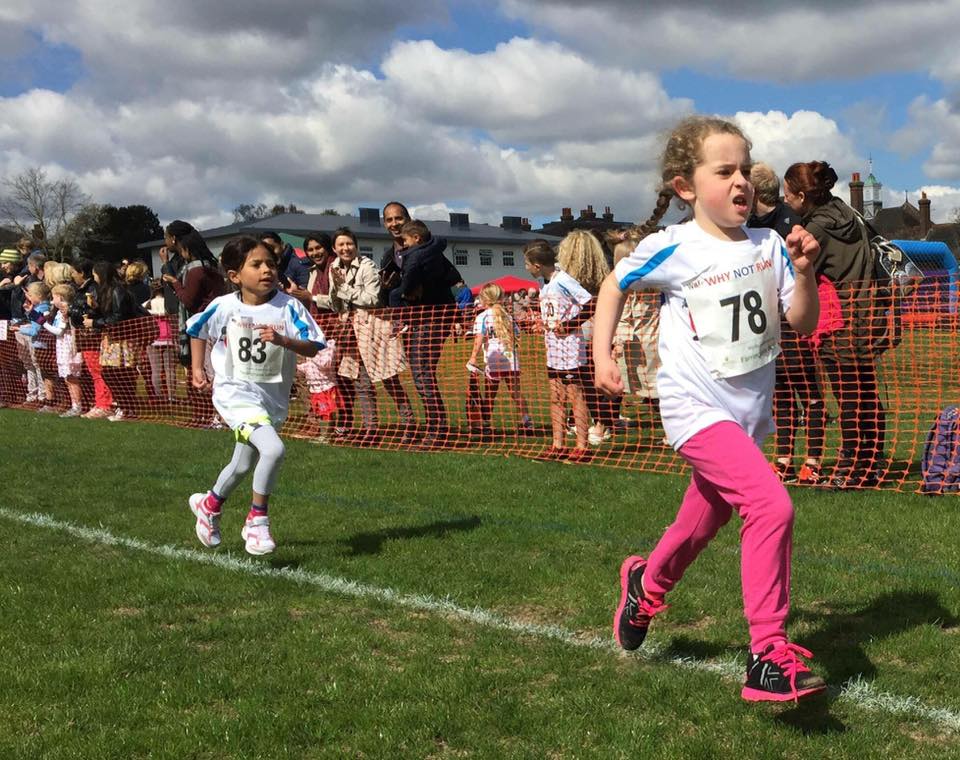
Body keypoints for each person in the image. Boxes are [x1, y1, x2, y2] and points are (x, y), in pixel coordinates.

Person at [593, 115, 826, 702]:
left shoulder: (770, 245)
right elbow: (613, 286)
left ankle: (645, 587)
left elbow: (803, 322)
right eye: (724, 171)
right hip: (694, 409)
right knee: (771, 505)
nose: (740, 181)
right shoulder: (672, 247)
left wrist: (804, 274)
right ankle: (768, 652)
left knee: (701, 523)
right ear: (686, 187)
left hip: (747, 419)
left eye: (744, 169)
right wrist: (602, 356)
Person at [185, 236, 324, 556]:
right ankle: (257, 520)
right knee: (273, 450)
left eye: (271, 264)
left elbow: (314, 345)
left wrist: (284, 341)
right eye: (257, 265)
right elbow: (196, 329)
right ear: (235, 276)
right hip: (235, 393)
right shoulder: (224, 306)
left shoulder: (289, 306)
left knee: (242, 463)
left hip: (271, 398)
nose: (267, 270)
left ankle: (209, 504)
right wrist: (197, 368)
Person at [783, 160, 886, 489]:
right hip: (866, 314)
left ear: (802, 196)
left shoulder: (815, 230)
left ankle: (851, 466)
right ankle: (871, 462)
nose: (785, 199)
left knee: (848, 397)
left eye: (788, 194)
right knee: (866, 392)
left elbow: (798, 275)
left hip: (836, 320)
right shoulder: (848, 214)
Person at [750, 163, 826, 485]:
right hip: (767, 322)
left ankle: (813, 460)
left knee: (808, 391)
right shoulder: (748, 226)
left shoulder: (791, 222)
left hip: (794, 319)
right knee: (779, 391)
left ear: (756, 191)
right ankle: (783, 459)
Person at [324, 227, 412, 445]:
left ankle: (409, 425)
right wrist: (322, 297)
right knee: (362, 384)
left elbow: (373, 299)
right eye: (341, 244)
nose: (345, 248)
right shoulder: (334, 268)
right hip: (351, 333)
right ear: (334, 248)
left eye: (349, 243)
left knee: (389, 380)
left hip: (374, 331)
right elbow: (336, 303)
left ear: (355, 245)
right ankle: (370, 429)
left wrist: (344, 289)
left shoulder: (367, 265)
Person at [524, 239, 592, 462]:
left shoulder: (563, 279)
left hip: (570, 348)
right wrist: (543, 323)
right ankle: (558, 444)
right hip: (553, 349)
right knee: (555, 397)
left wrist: (570, 325)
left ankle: (582, 446)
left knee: (575, 396)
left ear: (537, 265)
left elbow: (590, 303)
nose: (526, 268)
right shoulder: (544, 284)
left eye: (527, 264)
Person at [393, 218, 457, 447]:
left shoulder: (416, 256)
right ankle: (437, 427)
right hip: (434, 317)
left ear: (416, 238)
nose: (404, 245)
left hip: (429, 319)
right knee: (423, 373)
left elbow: (407, 286)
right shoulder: (434, 251)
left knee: (422, 373)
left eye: (405, 241)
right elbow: (453, 276)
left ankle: (436, 429)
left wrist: (401, 294)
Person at [162, 222, 226, 426]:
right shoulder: (209, 265)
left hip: (204, 325)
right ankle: (210, 414)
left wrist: (175, 283)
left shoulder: (196, 269)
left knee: (210, 371)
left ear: (175, 240)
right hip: (213, 324)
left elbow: (189, 301)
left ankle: (217, 416)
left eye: (166, 237)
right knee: (210, 369)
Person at [557, 230, 615, 446]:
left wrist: (569, 324)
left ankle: (601, 422)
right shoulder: (596, 279)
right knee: (585, 380)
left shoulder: (589, 282)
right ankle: (594, 420)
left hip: (589, 333)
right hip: (589, 333)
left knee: (590, 379)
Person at [83, 260, 146, 421]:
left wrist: (95, 322)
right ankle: (123, 406)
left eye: (95, 274)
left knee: (121, 373)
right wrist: (96, 308)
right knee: (110, 372)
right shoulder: (106, 291)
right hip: (111, 338)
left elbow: (118, 317)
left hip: (122, 338)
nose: (94, 278)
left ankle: (128, 408)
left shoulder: (118, 290)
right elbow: (109, 313)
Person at [466, 283, 532, 435]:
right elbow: (517, 336)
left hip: (493, 362)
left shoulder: (482, 317)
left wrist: (473, 357)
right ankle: (527, 422)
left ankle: (486, 424)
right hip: (510, 361)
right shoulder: (507, 316)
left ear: (485, 299)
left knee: (490, 396)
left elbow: (479, 338)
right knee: (516, 393)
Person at [44, 283, 85, 417]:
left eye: (54, 297)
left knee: (71, 378)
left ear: (60, 297)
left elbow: (59, 331)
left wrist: (43, 323)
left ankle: (77, 406)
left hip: (67, 346)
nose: (52, 300)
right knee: (68, 378)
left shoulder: (64, 311)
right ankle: (74, 405)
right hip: (62, 346)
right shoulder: (58, 312)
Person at [14, 281, 55, 411]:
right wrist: (30, 312)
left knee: (43, 371)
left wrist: (19, 329)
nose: (29, 298)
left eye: (31, 295)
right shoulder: (41, 308)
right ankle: (43, 396)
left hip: (41, 345)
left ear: (39, 296)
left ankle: (45, 397)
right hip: (42, 344)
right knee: (41, 370)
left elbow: (35, 330)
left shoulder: (41, 309)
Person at [143, 278, 177, 407]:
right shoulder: (169, 303)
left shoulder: (146, 304)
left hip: (153, 339)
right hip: (169, 338)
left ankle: (158, 396)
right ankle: (171, 397)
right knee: (170, 370)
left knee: (155, 370)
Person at [284, 234, 336, 316]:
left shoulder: (337, 268)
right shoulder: (314, 271)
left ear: (327, 248)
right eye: (310, 250)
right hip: (318, 321)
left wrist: (311, 297)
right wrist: (297, 292)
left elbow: (339, 302)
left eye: (318, 248)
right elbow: (309, 300)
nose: (315, 253)